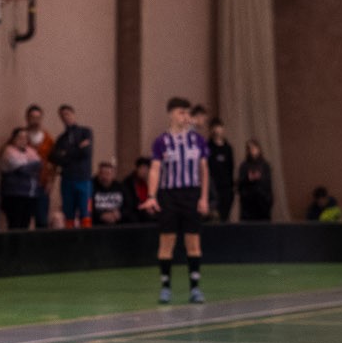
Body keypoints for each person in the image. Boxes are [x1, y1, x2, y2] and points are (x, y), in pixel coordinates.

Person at [139, 98, 210, 304]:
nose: (185, 117)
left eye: (187, 113)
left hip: (191, 194)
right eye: (181, 112)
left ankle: (195, 288)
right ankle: (165, 287)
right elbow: (155, 169)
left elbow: (204, 170)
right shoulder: (161, 141)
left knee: (193, 242)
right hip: (169, 195)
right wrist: (151, 196)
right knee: (166, 241)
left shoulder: (198, 140)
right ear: (171, 114)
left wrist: (204, 198)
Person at [50, 105, 94, 228]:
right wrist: (76, 149)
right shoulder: (61, 139)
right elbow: (54, 157)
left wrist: (66, 153)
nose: (65, 117)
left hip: (83, 178)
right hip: (67, 179)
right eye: (62, 115)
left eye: (67, 114)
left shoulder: (85, 132)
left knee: (85, 212)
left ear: (73, 114)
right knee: (68, 212)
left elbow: (85, 152)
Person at [0, 129, 42, 231]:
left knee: (25, 224)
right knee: (15, 224)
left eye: (25, 137)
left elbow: (38, 164)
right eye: (20, 137)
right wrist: (29, 165)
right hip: (14, 194)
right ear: (13, 139)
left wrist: (28, 165)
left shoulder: (31, 151)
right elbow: (21, 168)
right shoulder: (8, 151)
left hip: (29, 194)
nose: (23, 140)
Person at [20, 106, 55, 228]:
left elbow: (53, 163)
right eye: (32, 117)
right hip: (24, 186)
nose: (35, 120)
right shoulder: (20, 137)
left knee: (42, 220)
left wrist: (51, 181)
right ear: (27, 118)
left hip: (42, 184)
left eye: (38, 117)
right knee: (23, 220)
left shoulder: (48, 139)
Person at [206, 121, 236, 223]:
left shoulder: (228, 148)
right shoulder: (208, 147)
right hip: (212, 187)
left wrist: (231, 186)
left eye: (219, 128)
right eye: (215, 128)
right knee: (213, 217)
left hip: (226, 188)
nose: (217, 131)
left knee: (225, 216)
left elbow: (231, 167)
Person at [237, 140, 274, 221]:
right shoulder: (244, 166)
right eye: (249, 148)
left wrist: (268, 200)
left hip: (262, 203)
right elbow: (239, 185)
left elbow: (268, 184)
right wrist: (248, 178)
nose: (252, 150)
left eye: (254, 148)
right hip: (248, 205)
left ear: (258, 149)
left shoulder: (265, 166)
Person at [89, 161, 124, 226]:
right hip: (96, 224)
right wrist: (100, 215)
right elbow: (87, 207)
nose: (104, 177)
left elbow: (128, 206)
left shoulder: (120, 187)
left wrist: (120, 213)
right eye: (102, 173)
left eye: (108, 174)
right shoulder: (91, 187)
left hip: (118, 224)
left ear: (113, 175)